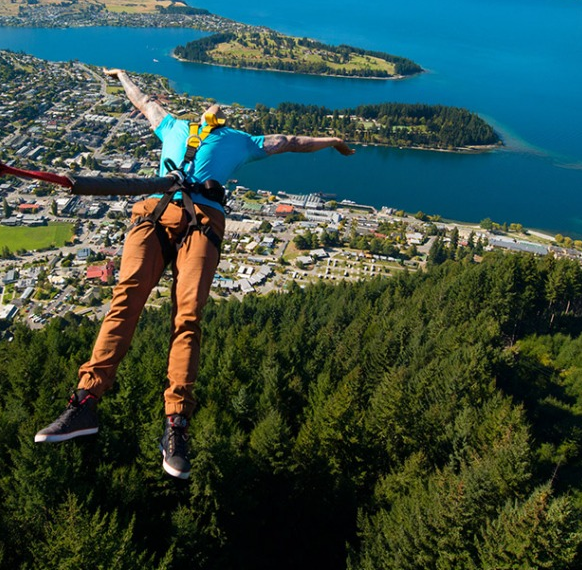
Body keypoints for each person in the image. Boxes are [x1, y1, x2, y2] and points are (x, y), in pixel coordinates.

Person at [34, 68, 354, 479]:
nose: (214, 107)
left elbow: (291, 142)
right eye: (212, 106)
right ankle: (84, 403)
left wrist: (333, 141)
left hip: (200, 220)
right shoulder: (175, 126)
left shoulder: (240, 140)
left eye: (219, 109)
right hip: (155, 212)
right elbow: (143, 102)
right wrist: (120, 75)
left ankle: (177, 425)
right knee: (126, 298)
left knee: (187, 315)